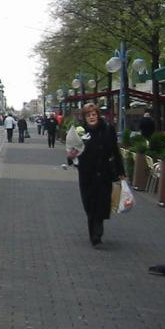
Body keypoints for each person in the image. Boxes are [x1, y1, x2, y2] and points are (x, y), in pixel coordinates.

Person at [66, 102, 125, 246]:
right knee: (89, 203)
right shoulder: (80, 131)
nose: (91, 117)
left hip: (104, 171)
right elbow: (73, 151)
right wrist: (70, 156)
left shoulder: (107, 129)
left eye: (94, 114)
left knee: (103, 203)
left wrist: (121, 171)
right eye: (88, 115)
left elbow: (115, 151)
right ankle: (94, 231)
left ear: (98, 115)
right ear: (84, 117)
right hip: (87, 173)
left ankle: (97, 233)